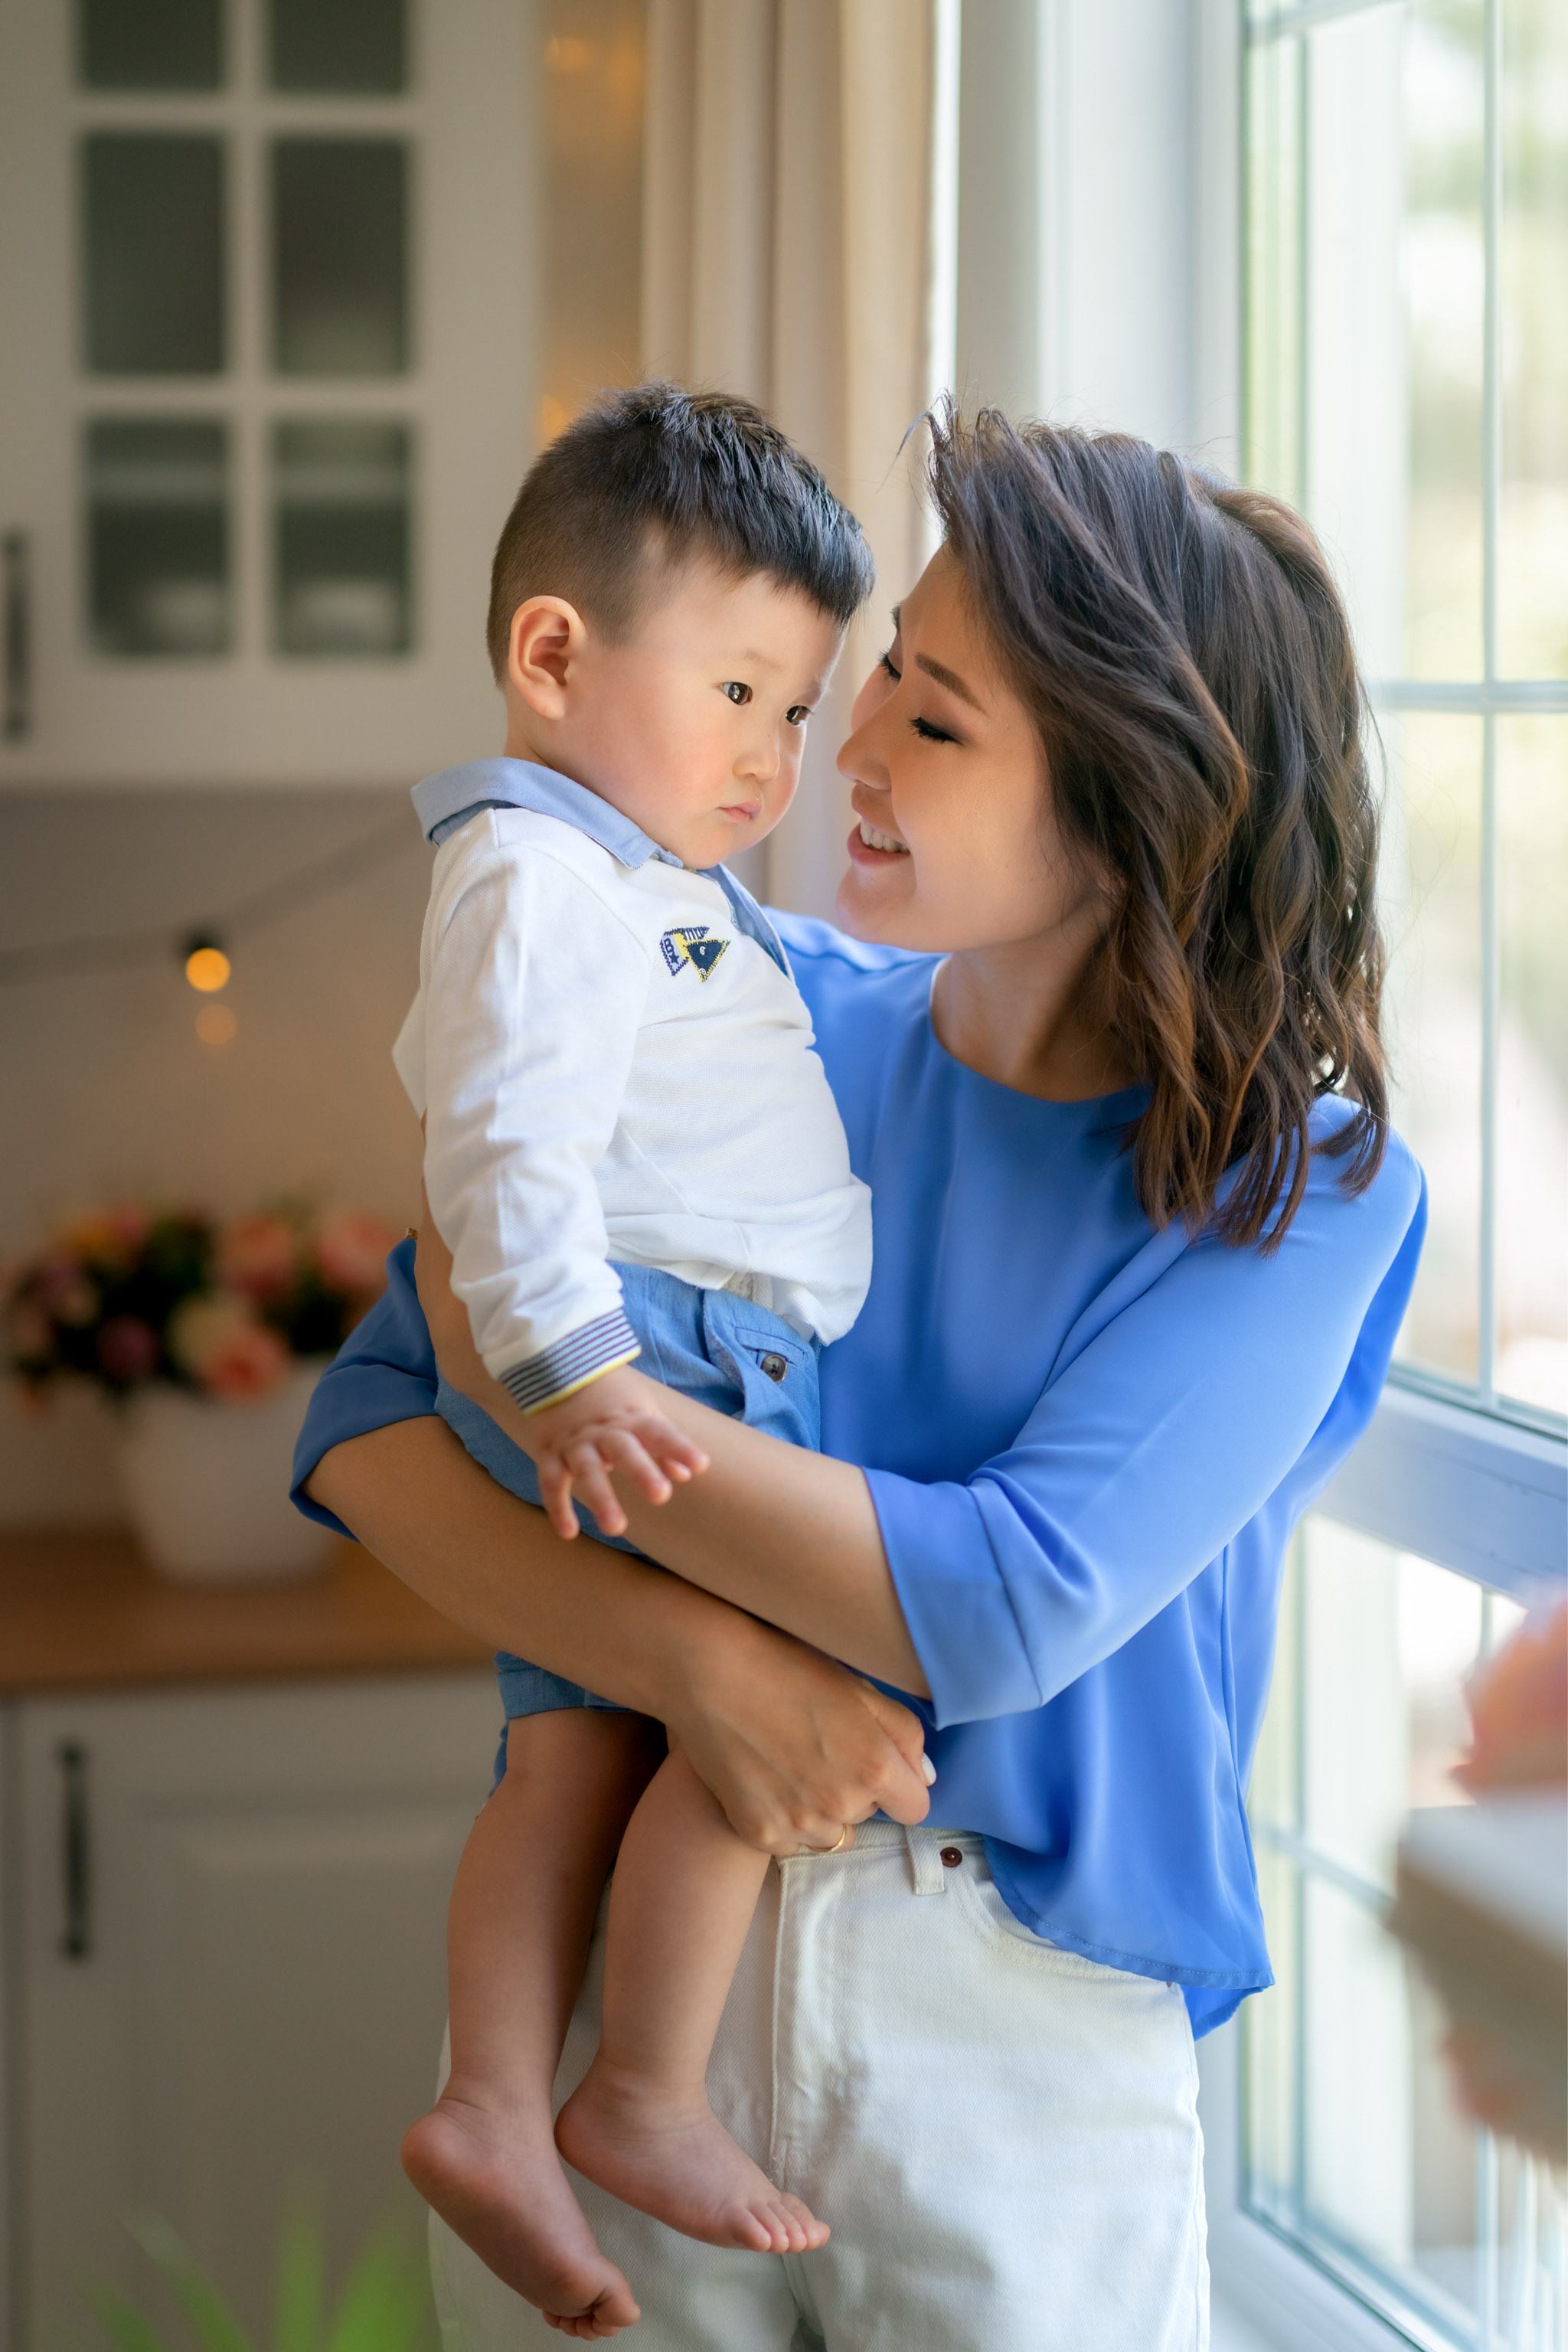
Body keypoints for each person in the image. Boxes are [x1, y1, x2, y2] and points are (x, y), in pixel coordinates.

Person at [293, 405, 1428, 2351]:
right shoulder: (737, 1002)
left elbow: (1005, 1602)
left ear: (1129, 807)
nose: (845, 751)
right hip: (633, 1989)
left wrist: (549, 1404)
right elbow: (384, 1421)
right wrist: (694, 1671)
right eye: (883, 670)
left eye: (940, 717)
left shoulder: (1293, 1190)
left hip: (1010, 2039)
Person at [392, 387, 896, 2334]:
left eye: (797, 707)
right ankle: (643, 2092)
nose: (777, 755)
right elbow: (501, 1148)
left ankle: (495, 2105)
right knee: (762, 1699)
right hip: (662, 1351)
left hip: (638, 1343)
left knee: (568, 1740)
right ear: (551, 654)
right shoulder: (545, 877)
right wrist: (575, 1371)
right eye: (744, 692)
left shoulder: (632, 879)